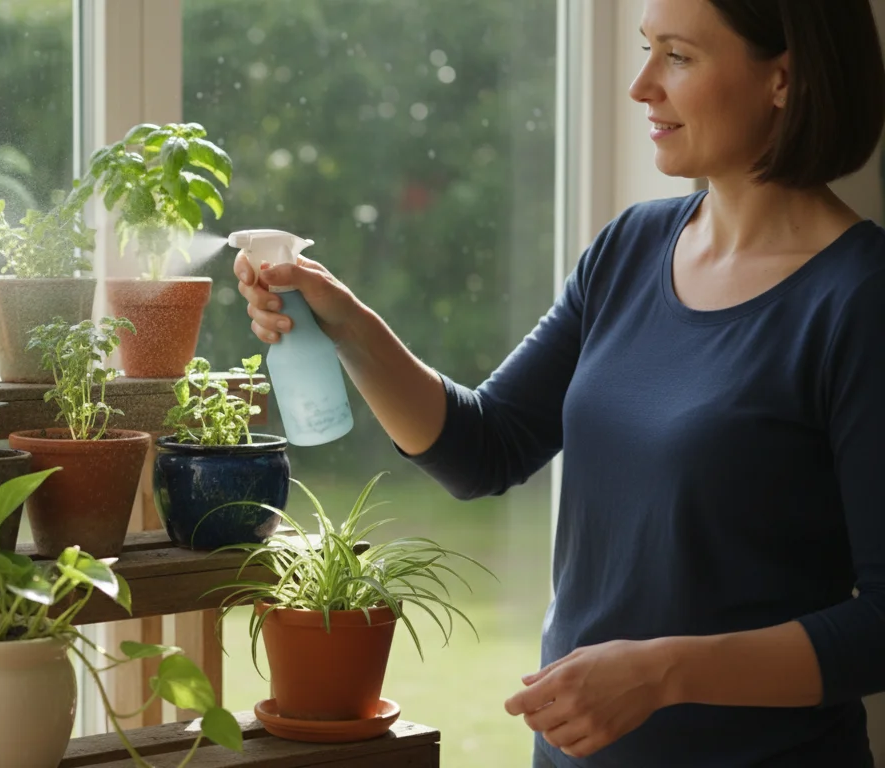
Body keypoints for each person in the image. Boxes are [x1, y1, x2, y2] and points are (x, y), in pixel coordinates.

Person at [235, 0, 885, 765]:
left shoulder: (859, 299)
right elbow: (485, 448)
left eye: (677, 56)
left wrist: (662, 673)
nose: (641, 85)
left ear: (783, 77)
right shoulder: (629, 250)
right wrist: (343, 319)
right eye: (645, 50)